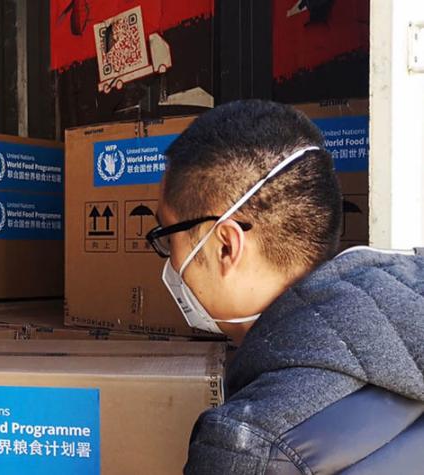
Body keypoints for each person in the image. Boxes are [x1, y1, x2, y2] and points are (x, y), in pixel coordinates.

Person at [145, 100, 424, 474]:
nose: (170, 260)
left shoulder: (251, 445)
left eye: (167, 235)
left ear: (226, 245)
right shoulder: (408, 297)